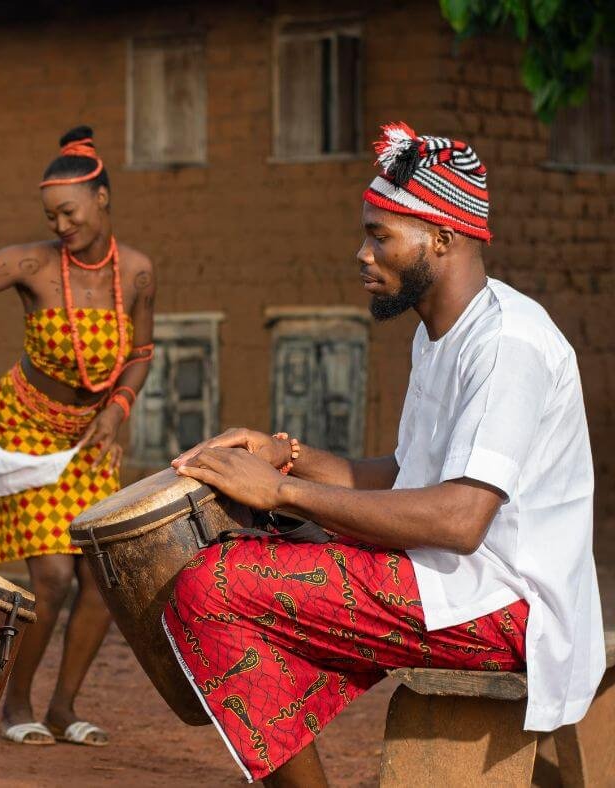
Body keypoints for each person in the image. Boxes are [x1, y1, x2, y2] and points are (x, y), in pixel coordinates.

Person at [167, 122, 603, 785]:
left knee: (213, 585)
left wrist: (280, 493)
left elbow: (459, 522)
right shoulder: (443, 332)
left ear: (444, 239)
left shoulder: (506, 345)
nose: (362, 254)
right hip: (452, 584)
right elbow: (408, 477)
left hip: (505, 604)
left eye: (380, 236)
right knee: (254, 559)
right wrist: (288, 457)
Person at [0, 127, 156, 746]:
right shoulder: (28, 264)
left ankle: (64, 708)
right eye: (51, 215)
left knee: (102, 581)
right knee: (52, 577)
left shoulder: (135, 273)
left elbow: (141, 351)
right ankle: (17, 705)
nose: (60, 226)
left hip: (90, 439)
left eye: (71, 213)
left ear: (102, 199)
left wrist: (118, 408)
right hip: (24, 430)